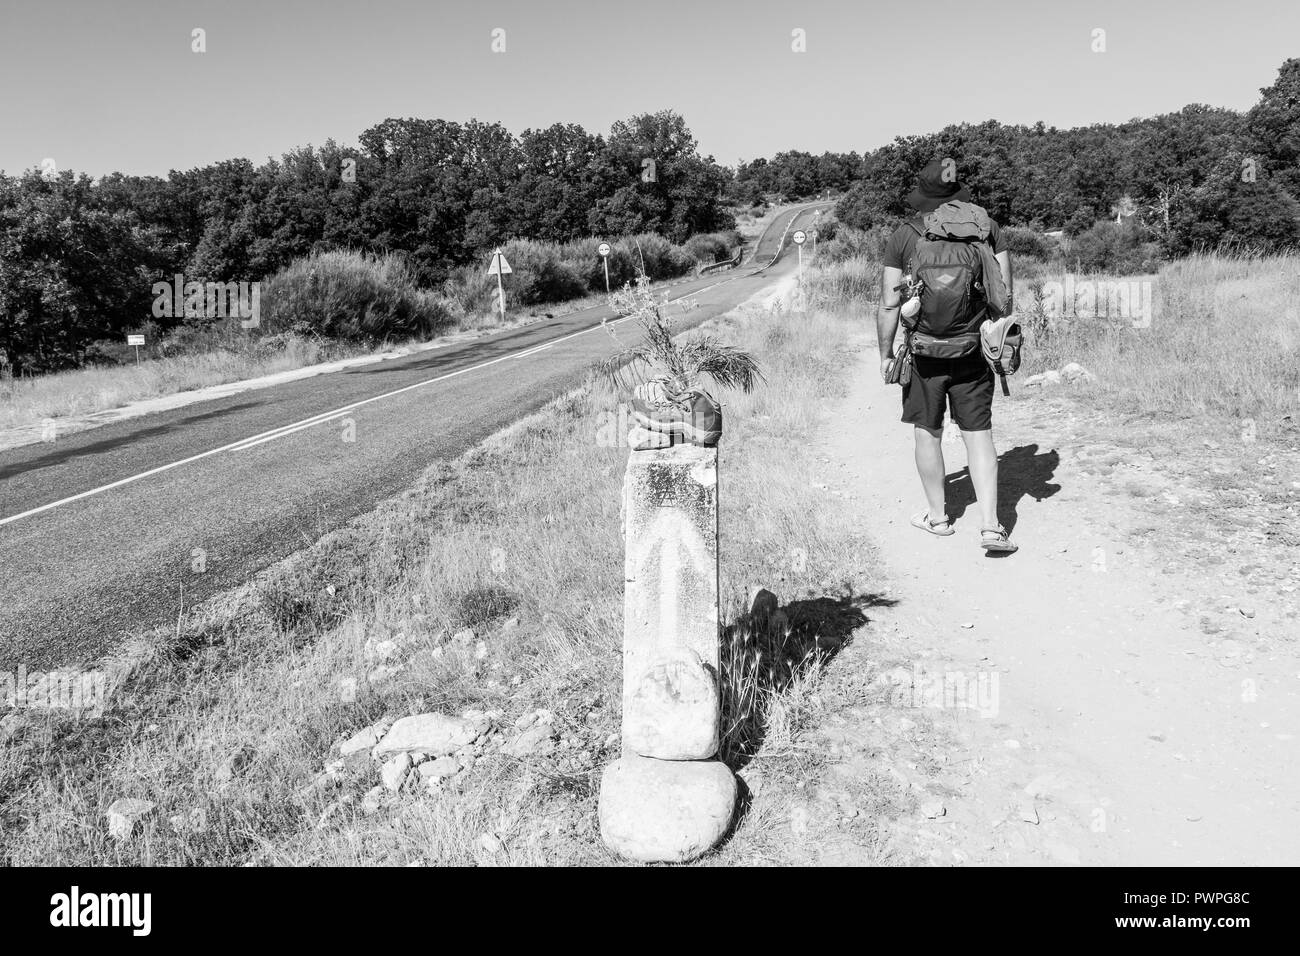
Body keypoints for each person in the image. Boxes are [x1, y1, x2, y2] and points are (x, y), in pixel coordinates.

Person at [877, 159, 1017, 553]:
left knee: (928, 431)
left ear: (922, 195)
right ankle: (991, 526)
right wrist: (995, 339)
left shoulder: (905, 235)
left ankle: (938, 518)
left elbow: (889, 303)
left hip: (923, 352)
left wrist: (886, 354)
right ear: (958, 194)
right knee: (979, 435)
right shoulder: (986, 229)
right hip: (974, 350)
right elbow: (1004, 293)